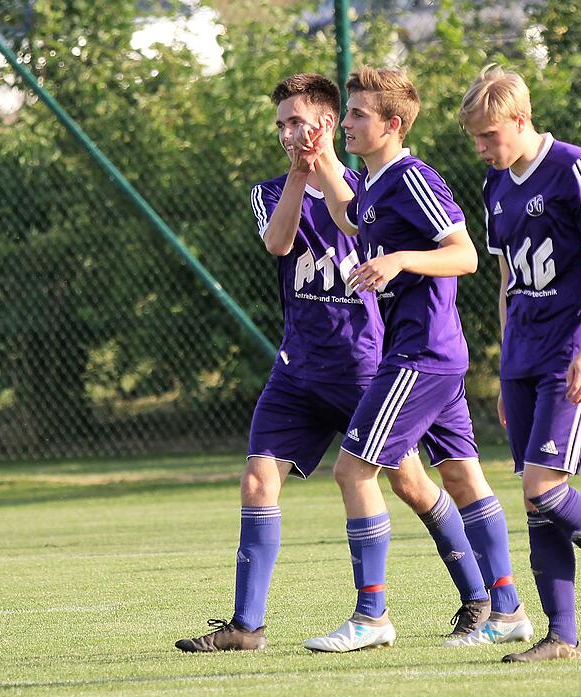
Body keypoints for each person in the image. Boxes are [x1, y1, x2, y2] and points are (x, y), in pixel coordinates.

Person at [175, 73, 493, 653]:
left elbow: (414, 240)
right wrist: (300, 174)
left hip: (366, 367)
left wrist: (335, 182)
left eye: (300, 122)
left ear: (328, 123)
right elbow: (278, 242)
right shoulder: (272, 191)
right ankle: (248, 627)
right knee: (256, 481)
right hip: (297, 369)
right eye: (281, 125)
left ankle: (477, 596)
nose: (288, 133)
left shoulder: (366, 192)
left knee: (413, 485)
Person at [298, 66, 532, 653]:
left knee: (353, 471)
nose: (347, 122)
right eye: (346, 114)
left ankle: (371, 616)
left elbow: (465, 255)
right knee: (458, 475)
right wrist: (322, 157)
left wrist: (400, 260)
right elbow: (353, 216)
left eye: (356, 115)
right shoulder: (376, 185)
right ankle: (508, 610)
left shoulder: (413, 177)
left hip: (419, 354)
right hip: (433, 353)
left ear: (392, 125)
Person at [458, 64, 581, 663]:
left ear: (520, 120)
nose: (483, 149)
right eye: (475, 139)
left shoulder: (574, 168)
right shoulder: (497, 186)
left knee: (545, 487)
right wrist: (503, 365)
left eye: (489, 137)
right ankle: (562, 636)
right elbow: (504, 281)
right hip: (524, 359)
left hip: (570, 355)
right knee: (532, 495)